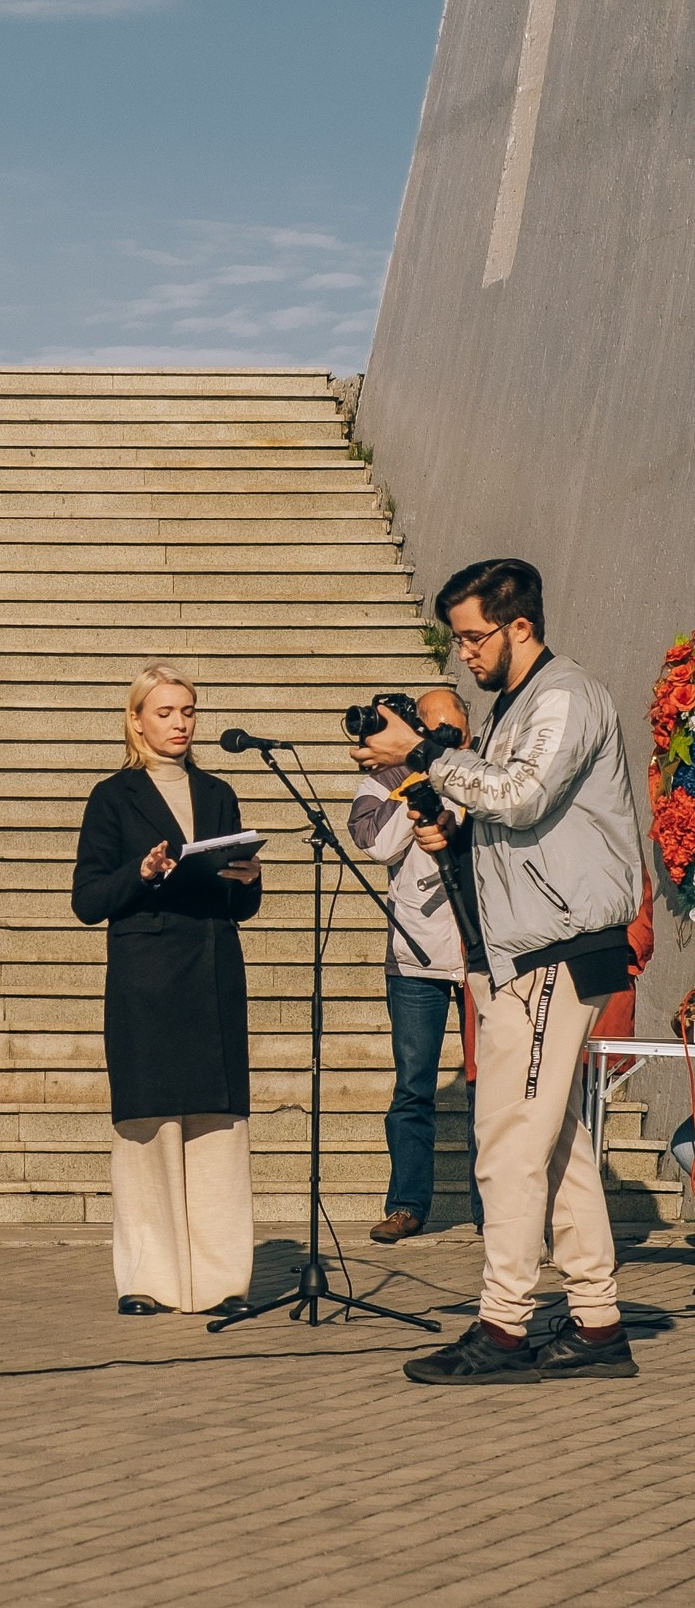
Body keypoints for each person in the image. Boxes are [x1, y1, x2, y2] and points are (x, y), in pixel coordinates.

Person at [365, 559, 644, 1384]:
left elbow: (522, 795)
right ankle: (596, 1325)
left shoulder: (564, 696)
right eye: (456, 639)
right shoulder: (515, 707)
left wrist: (422, 750)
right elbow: (516, 820)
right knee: (557, 1143)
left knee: (509, 1142)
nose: (464, 655)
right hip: (527, 949)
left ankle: (505, 1325)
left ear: (520, 625)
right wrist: (452, 833)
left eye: (473, 636)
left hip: (556, 950)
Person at [70, 665, 264, 1317]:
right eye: (165, 711)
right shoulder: (113, 796)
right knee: (149, 1129)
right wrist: (143, 870)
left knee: (215, 1129)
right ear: (137, 720)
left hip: (211, 972)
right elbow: (88, 898)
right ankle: (148, 1278)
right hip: (147, 982)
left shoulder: (218, 790)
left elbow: (242, 905)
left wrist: (248, 874)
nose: (179, 722)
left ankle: (220, 1282)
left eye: (188, 710)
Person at [348, 687, 481, 1243]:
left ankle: (492, 1209)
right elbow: (375, 845)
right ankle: (407, 1205)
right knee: (413, 1088)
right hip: (417, 954)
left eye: (457, 729)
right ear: (417, 730)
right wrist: (416, 778)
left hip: (485, 953)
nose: (449, 738)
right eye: (436, 730)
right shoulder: (383, 780)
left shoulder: (482, 772)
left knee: (488, 1087)